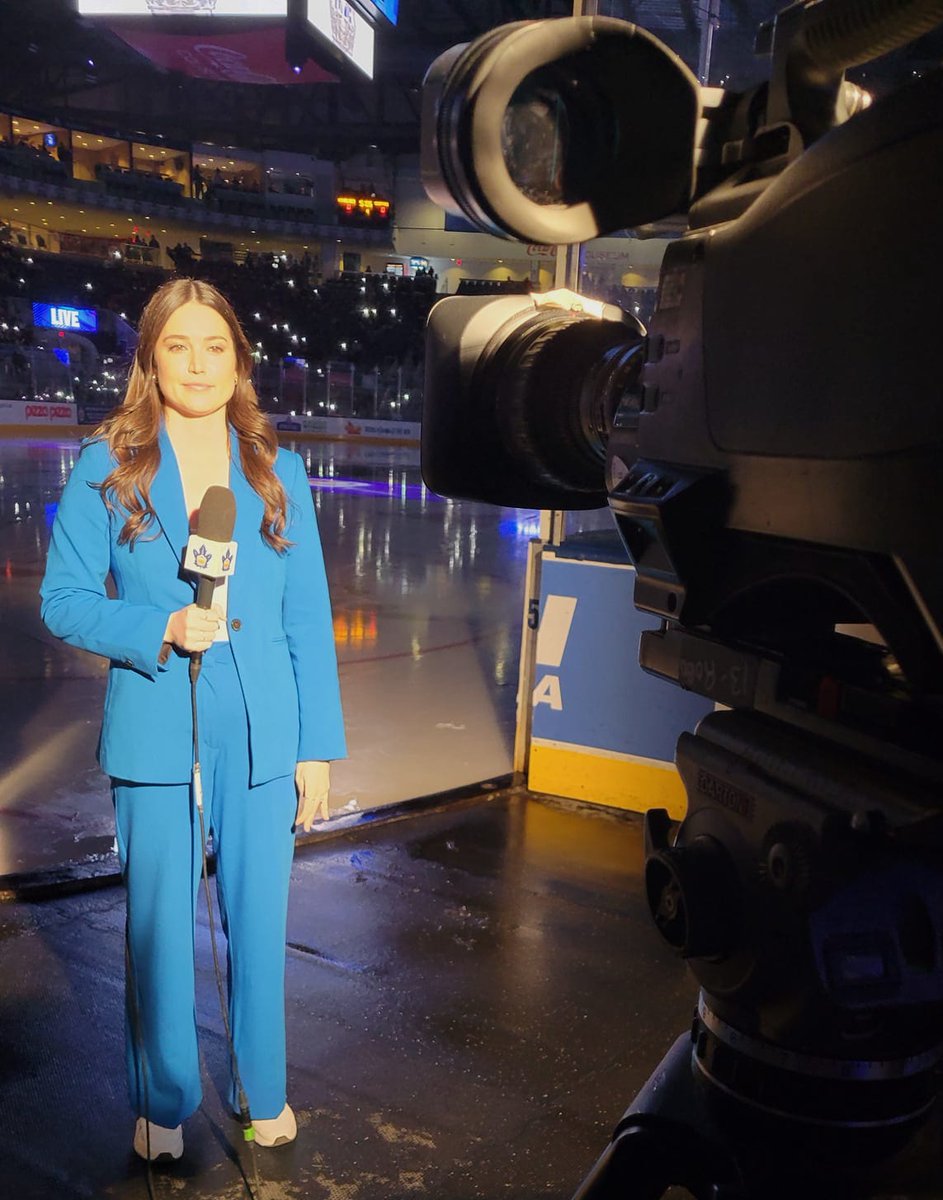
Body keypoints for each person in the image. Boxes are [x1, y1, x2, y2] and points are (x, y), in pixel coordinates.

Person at [40, 277, 346, 1162]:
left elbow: (305, 618)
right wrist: (159, 628)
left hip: (262, 729)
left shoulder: (276, 470)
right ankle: (163, 1099)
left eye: (216, 346)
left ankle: (264, 1090)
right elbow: (62, 601)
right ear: (149, 358)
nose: (198, 363)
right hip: (154, 723)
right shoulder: (107, 463)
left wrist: (315, 748)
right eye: (177, 345)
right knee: (160, 929)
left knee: (259, 921)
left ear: (239, 361)